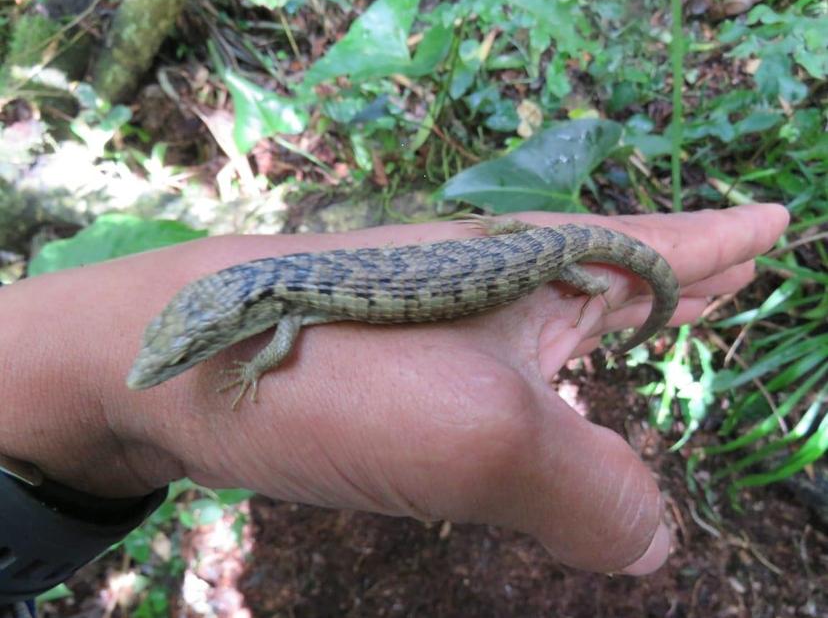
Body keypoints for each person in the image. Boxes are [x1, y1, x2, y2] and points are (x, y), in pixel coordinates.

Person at [0, 205, 788, 586]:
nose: (168, 364)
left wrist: (247, 373)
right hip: (531, 245)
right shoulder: (275, 296)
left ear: (237, 304)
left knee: (598, 276)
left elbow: (283, 339)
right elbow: (278, 326)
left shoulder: (282, 308)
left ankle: (590, 278)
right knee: (587, 271)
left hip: (542, 257)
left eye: (186, 349)